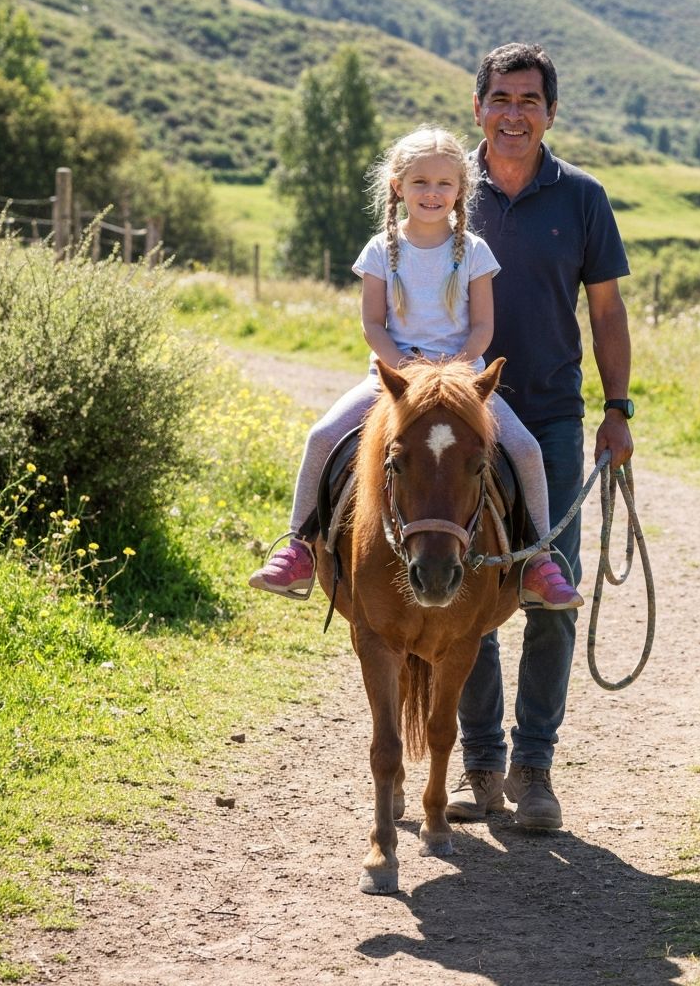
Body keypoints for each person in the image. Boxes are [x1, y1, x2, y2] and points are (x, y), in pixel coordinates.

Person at [248, 125, 583, 611]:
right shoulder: (381, 251)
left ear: (461, 190)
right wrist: (409, 374)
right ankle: (299, 546)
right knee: (323, 436)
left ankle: (536, 561)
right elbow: (372, 324)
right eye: (420, 182)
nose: (432, 193)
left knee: (526, 450)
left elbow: (483, 328)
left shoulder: (474, 253)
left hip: (465, 382)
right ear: (397, 186)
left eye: (444, 184)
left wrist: (452, 373)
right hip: (392, 383)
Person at [445, 44, 634, 830]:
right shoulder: (446, 192)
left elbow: (608, 313)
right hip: (462, 420)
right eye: (500, 97)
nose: (514, 112)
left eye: (529, 99)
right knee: (464, 587)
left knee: (551, 587)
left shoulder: (583, 198)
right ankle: (480, 767)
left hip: (553, 418)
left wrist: (618, 408)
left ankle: (535, 769)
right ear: (479, 107)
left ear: (550, 112)